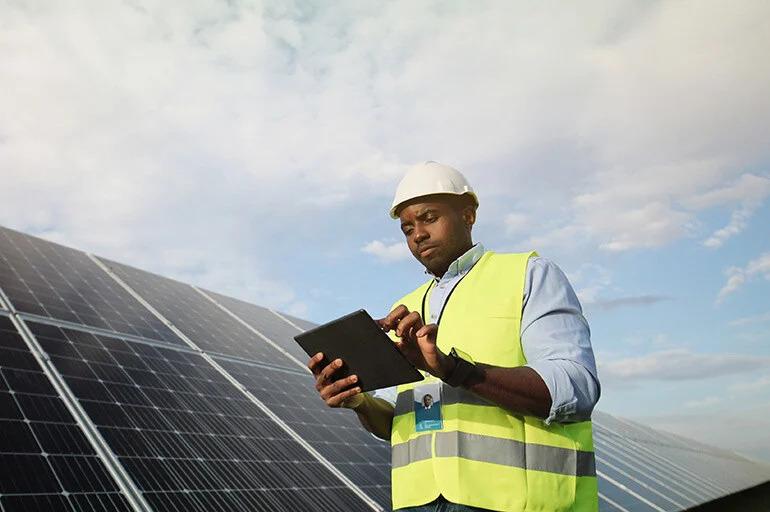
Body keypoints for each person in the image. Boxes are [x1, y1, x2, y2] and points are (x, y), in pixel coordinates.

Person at [308, 162, 600, 511]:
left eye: (429, 217)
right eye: (406, 228)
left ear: (468, 215)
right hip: (421, 504)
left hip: (519, 504)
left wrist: (453, 369)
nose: (417, 234)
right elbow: (398, 422)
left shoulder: (528, 275)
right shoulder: (406, 307)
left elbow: (574, 387)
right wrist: (358, 400)